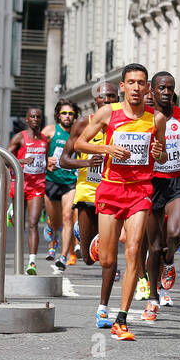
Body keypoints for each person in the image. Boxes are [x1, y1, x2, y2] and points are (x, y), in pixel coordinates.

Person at [72, 64, 167, 341]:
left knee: (135, 250)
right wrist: (106, 148)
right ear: (122, 86)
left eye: (141, 83)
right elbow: (80, 143)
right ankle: (100, 242)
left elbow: (159, 158)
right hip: (111, 190)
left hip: (140, 191)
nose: (136, 87)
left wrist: (158, 153)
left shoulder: (156, 119)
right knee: (107, 260)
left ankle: (122, 319)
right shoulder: (108, 113)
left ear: (147, 87)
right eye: (131, 82)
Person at [60, 82, 118, 292]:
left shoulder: (123, 125)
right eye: (104, 97)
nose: (108, 101)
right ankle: (81, 231)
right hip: (88, 191)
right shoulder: (84, 124)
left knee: (107, 254)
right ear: (96, 101)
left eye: (112, 97)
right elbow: (64, 160)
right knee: (87, 258)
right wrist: (86, 162)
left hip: (113, 192)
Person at [142, 71, 180, 320]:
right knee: (154, 245)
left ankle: (169, 261)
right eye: (161, 87)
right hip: (152, 184)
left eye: (170, 88)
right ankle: (152, 297)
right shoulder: (146, 118)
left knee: (174, 234)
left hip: (176, 182)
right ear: (152, 90)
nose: (166, 91)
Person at [7, 108, 49, 275]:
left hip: (37, 185)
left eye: (38, 116)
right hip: (19, 183)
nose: (35, 119)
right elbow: (4, 157)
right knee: (19, 224)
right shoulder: (19, 137)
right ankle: (12, 212)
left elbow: (44, 160)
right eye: (32, 116)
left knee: (33, 223)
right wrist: (22, 160)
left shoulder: (45, 139)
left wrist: (49, 164)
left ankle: (32, 262)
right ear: (26, 119)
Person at [42, 100, 79, 273]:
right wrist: (45, 160)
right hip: (51, 179)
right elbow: (37, 150)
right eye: (64, 113)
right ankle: (52, 236)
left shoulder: (78, 132)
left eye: (70, 114)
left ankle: (63, 256)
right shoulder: (50, 131)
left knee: (67, 216)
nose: (67, 116)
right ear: (58, 115)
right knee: (55, 221)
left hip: (70, 181)